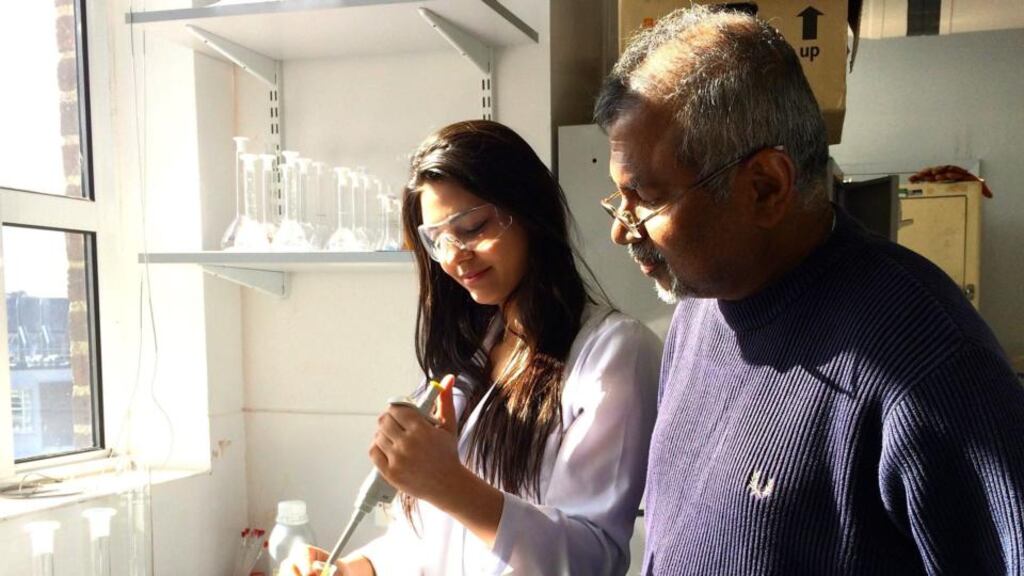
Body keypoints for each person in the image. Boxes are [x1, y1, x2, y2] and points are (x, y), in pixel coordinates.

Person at [594, 6, 1024, 575]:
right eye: (619, 197)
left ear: (766, 187)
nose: (622, 229)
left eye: (647, 198)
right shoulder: (700, 311)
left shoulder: (927, 361)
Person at [296, 120, 661, 575]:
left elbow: (593, 559)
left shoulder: (615, 354)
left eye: (472, 227)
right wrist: (353, 568)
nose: (454, 256)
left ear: (528, 209)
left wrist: (448, 483)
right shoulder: (474, 354)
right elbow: (429, 538)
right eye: (437, 240)